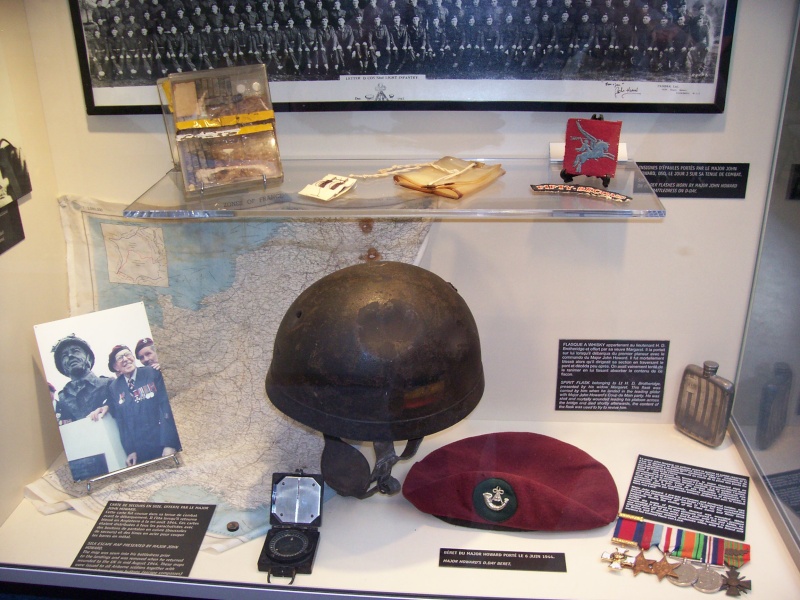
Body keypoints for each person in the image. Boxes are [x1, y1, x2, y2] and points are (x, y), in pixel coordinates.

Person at [94, 345, 181, 467]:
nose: (125, 359)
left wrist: (170, 444)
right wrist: (131, 451)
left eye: (127, 354)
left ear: (133, 357)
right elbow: (122, 422)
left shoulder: (152, 373)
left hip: (162, 444)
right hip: (141, 452)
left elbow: (166, 408)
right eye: (120, 358)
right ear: (115, 366)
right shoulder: (114, 387)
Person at [51, 334, 111, 424]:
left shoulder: (108, 383)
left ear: (88, 357)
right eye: (64, 356)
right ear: (63, 367)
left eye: (76, 351)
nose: (70, 355)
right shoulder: (63, 397)